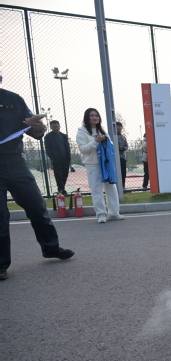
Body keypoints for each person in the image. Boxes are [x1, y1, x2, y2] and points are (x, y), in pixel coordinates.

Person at [0, 88, 75, 280]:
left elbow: (34, 131)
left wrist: (39, 127)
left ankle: (51, 248)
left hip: (15, 161)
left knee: (37, 205)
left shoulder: (13, 99)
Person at [76, 108, 125, 223]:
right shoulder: (82, 131)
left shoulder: (102, 130)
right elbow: (83, 149)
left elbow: (110, 145)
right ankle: (101, 214)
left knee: (111, 188)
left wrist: (104, 141)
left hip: (106, 164)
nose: (95, 118)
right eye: (92, 115)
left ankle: (114, 213)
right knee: (96, 189)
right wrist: (95, 141)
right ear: (87, 118)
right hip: (92, 164)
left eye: (96, 115)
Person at [43, 120, 71, 194]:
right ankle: (61, 189)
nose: (55, 128)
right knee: (58, 174)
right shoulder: (48, 136)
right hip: (56, 159)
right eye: (53, 126)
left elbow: (67, 147)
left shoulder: (64, 136)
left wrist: (68, 157)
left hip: (65, 158)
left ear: (59, 126)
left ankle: (62, 188)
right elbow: (48, 149)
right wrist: (52, 158)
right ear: (51, 127)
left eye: (57, 126)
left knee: (65, 174)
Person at [116, 122, 128, 189]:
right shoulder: (111, 136)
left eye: (119, 126)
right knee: (116, 172)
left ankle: (123, 185)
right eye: (116, 126)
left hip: (122, 157)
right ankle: (116, 186)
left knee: (123, 172)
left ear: (121, 128)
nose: (118, 127)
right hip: (114, 157)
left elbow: (126, 146)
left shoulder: (123, 137)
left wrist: (123, 148)